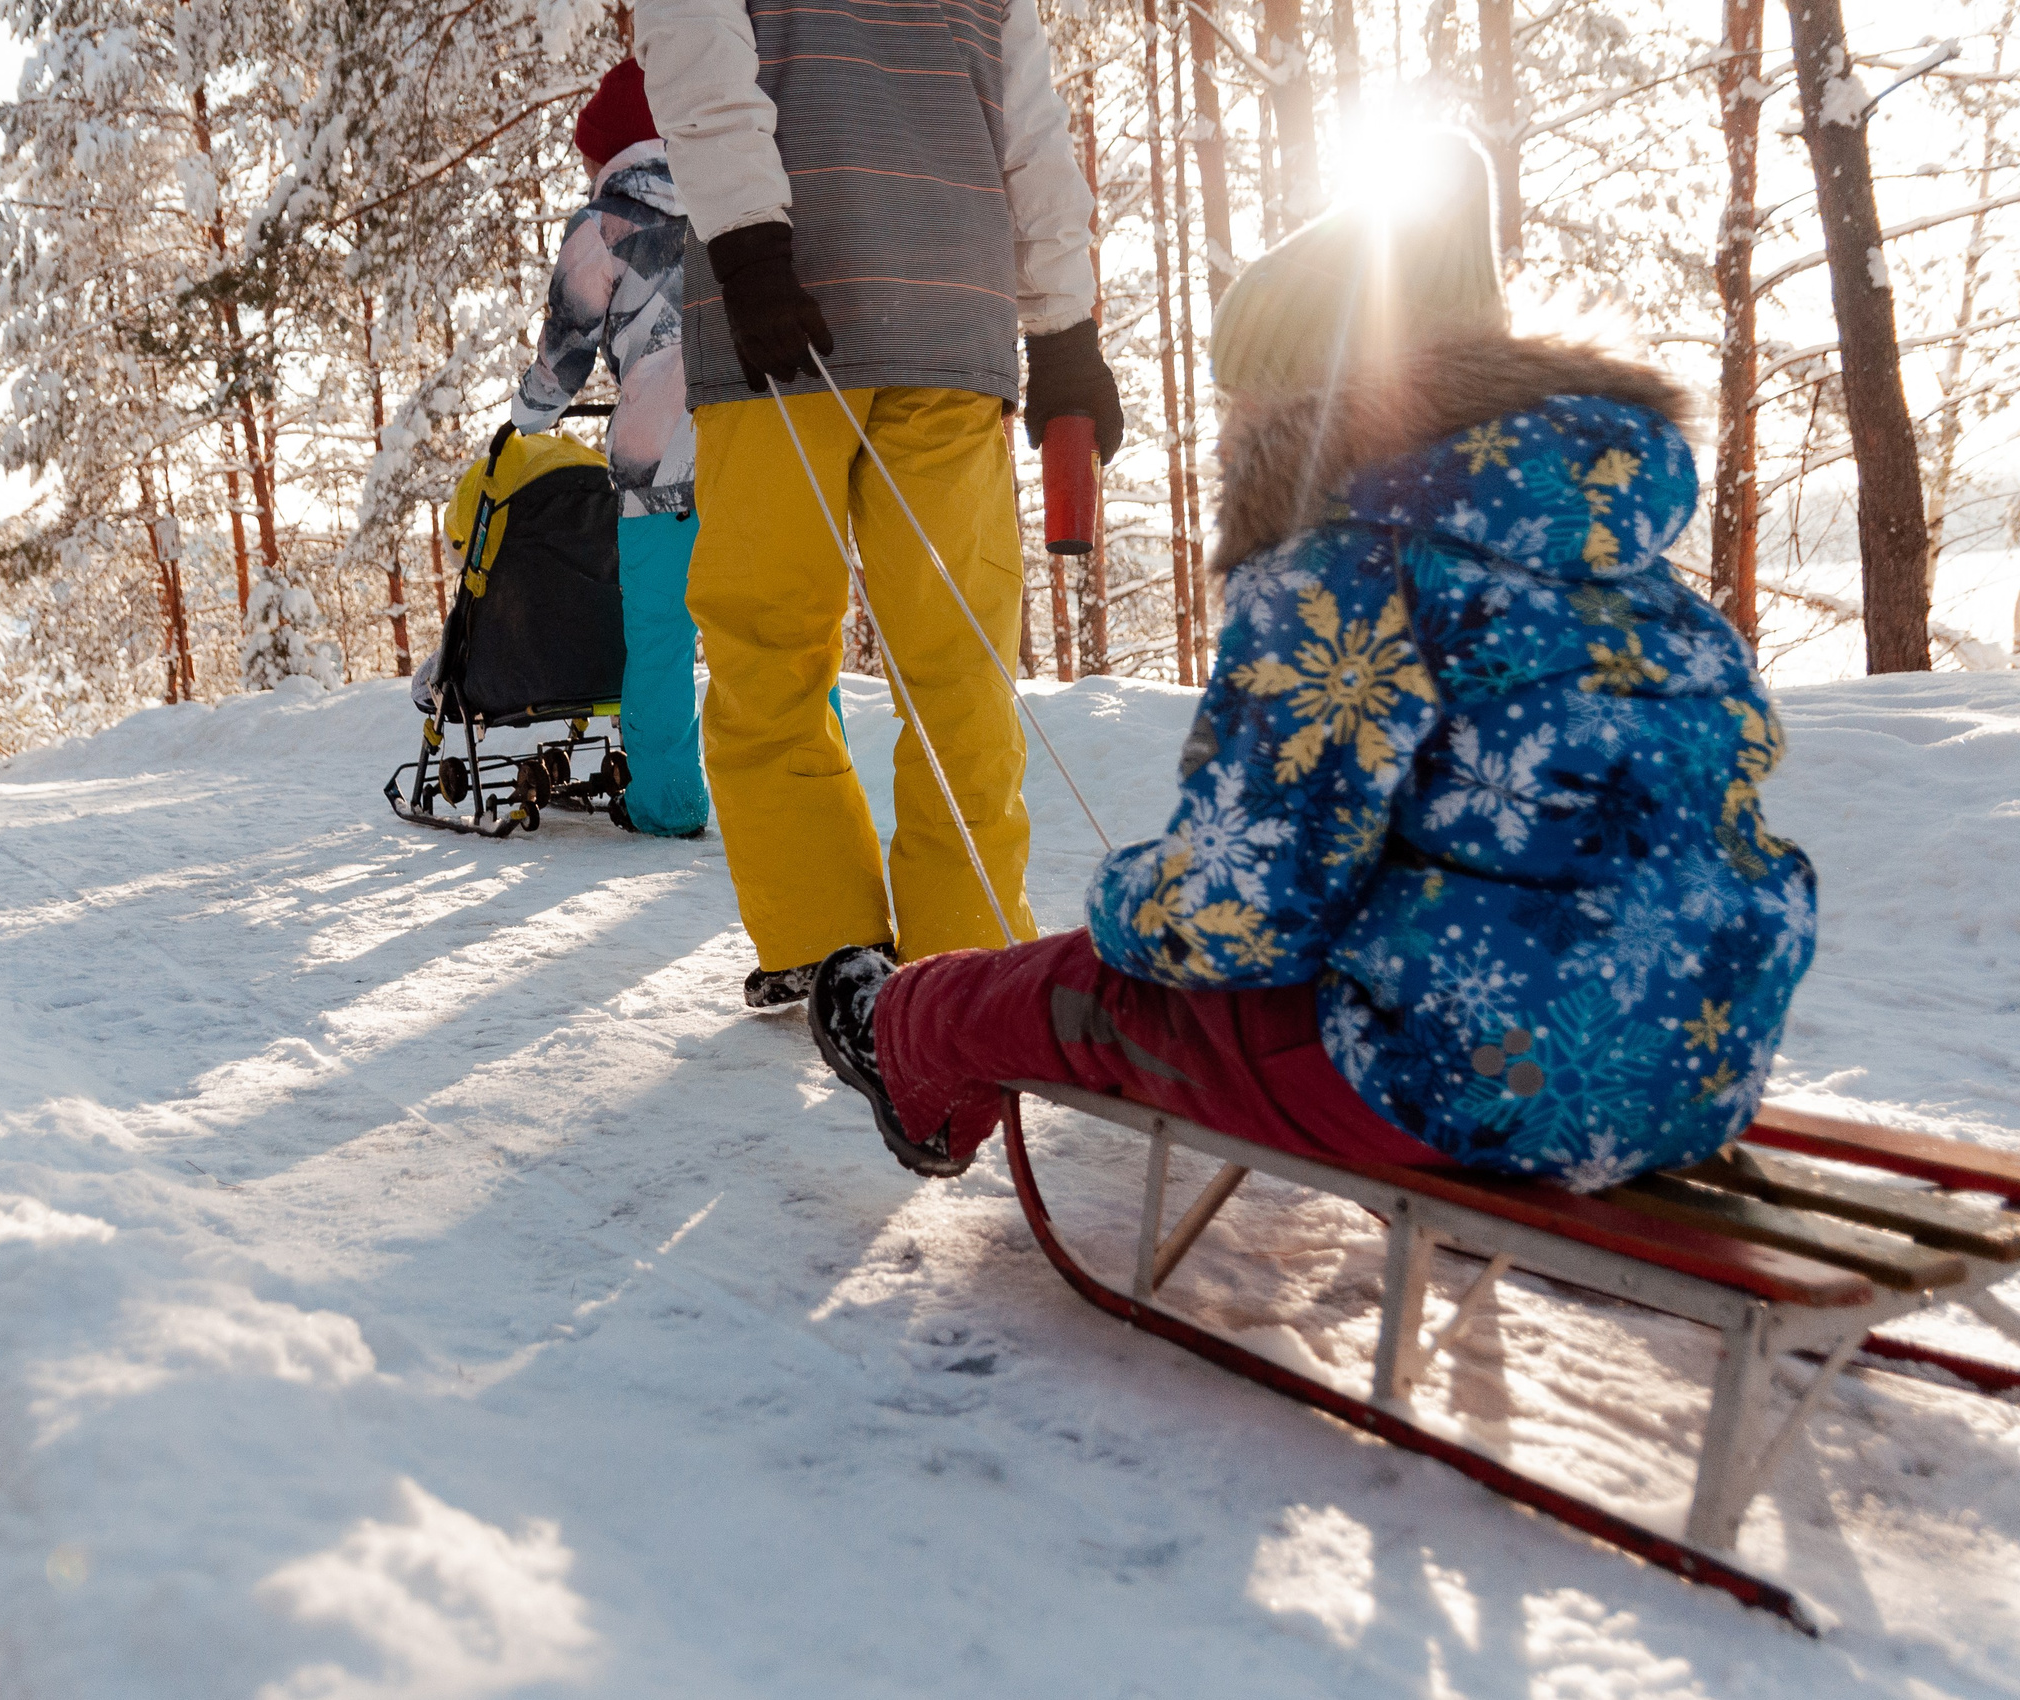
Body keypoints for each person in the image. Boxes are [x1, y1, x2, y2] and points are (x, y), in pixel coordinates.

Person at [807, 131, 1817, 1192]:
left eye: (1245, 394)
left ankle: (903, 1039)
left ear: (1304, 399)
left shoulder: (1344, 567)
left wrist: (1122, 905)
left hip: (1458, 1086)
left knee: (1085, 983)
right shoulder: (1634, 577)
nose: (1233, 428)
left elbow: (1242, 912)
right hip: (1700, 1066)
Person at [634, 0, 1123, 1005]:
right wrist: (1063, 322)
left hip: (782, 308)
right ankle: (967, 942)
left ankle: (823, 940)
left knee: (768, 640)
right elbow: (1031, 131)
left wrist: (744, 237)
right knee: (960, 655)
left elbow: (694, 50)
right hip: (952, 313)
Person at [510, 58, 711, 838]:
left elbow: (563, 360)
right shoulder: (732, 200)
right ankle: (801, 794)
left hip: (656, 469)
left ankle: (667, 804)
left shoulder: (602, 228)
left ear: (613, 152)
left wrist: (529, 415)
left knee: (661, 638)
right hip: (750, 456)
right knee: (769, 633)